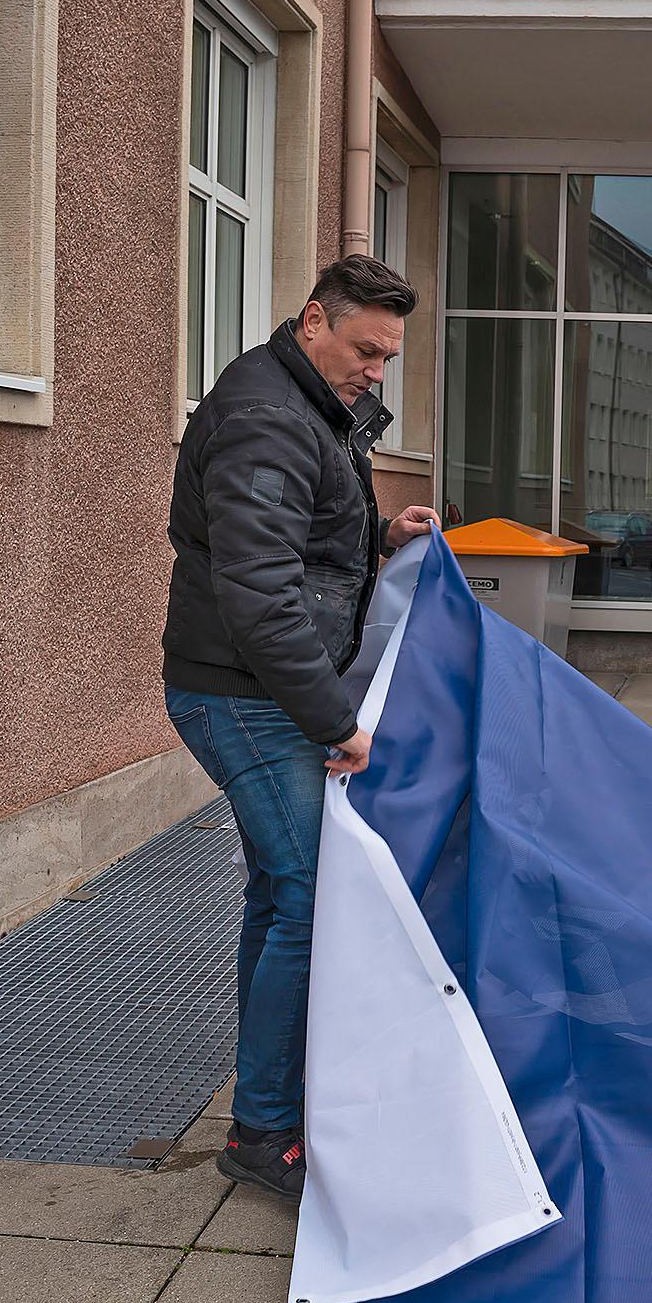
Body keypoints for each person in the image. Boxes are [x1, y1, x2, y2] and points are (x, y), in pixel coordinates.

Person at [161, 255, 439, 1200]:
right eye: (366, 349)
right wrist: (337, 721)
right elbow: (259, 593)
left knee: (281, 896)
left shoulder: (300, 401)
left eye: (389, 356)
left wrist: (380, 537)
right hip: (247, 697)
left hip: (259, 688)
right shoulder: (266, 418)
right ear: (315, 320)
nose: (377, 370)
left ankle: (270, 1099)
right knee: (310, 897)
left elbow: (295, 540)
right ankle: (263, 1129)